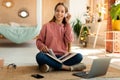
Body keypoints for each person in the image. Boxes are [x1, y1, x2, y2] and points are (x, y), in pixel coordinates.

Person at [36, 2, 86, 73]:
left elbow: (69, 40)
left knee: (79, 56)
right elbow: (39, 41)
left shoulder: (66, 26)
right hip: (49, 56)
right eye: (57, 11)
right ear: (54, 12)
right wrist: (42, 47)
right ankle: (66, 67)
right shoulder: (46, 26)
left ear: (65, 14)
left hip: (63, 57)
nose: (59, 13)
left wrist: (68, 23)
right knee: (40, 56)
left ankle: (51, 67)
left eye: (62, 11)